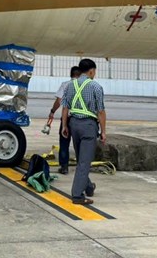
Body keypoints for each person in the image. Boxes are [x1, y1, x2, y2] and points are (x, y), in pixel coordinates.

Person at [61, 58, 107, 205]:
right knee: (84, 162)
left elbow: (65, 108)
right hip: (88, 126)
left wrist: (64, 126)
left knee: (81, 158)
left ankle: (88, 186)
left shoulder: (69, 86)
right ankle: (77, 195)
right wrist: (104, 131)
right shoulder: (96, 87)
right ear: (92, 71)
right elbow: (100, 111)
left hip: (73, 124)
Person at [48, 66, 81, 174]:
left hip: (67, 117)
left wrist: (52, 111)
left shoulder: (65, 85)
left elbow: (59, 101)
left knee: (64, 142)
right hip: (81, 119)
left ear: (70, 74)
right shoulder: (85, 85)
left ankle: (64, 167)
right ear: (80, 75)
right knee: (80, 143)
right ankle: (81, 167)